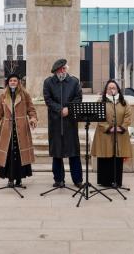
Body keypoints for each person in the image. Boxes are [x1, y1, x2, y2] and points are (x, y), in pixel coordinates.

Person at [0, 74, 38, 186]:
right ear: (8, 82)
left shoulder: (24, 94)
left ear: (18, 82)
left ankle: (19, 179)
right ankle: (10, 179)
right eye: (11, 81)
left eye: (15, 81)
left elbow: (31, 109)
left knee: (19, 154)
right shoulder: (3, 95)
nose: (13, 82)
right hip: (7, 129)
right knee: (8, 154)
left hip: (21, 128)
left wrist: (33, 119)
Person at [43, 59, 83, 188]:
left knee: (74, 153)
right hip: (55, 122)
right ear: (55, 71)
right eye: (60, 70)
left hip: (70, 122)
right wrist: (60, 109)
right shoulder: (48, 82)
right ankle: (59, 179)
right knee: (57, 153)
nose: (63, 71)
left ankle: (78, 180)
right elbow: (48, 99)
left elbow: (78, 98)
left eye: (64, 69)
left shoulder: (74, 81)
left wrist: (68, 109)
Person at [91, 80, 132, 187]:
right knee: (105, 156)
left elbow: (128, 117)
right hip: (104, 134)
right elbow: (98, 117)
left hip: (120, 134)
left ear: (118, 89)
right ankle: (105, 181)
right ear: (106, 90)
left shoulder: (124, 102)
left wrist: (121, 128)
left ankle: (117, 181)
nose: (112, 90)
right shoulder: (101, 101)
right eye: (109, 88)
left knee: (117, 156)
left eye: (114, 88)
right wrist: (109, 128)